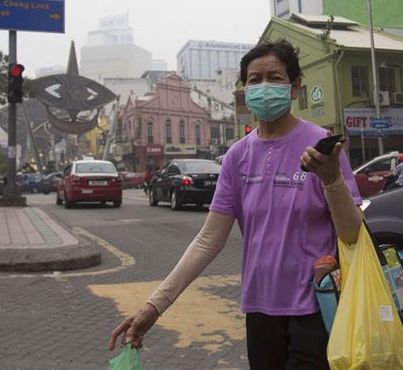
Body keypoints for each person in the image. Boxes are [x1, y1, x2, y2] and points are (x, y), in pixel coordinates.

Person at [108, 40, 363, 369]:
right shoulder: (237, 157)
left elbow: (352, 232)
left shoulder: (321, 147)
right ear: (244, 89)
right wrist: (154, 307)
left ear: (295, 87)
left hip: (317, 307)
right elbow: (207, 240)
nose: (263, 86)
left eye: (274, 77)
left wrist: (331, 180)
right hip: (259, 310)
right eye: (254, 80)